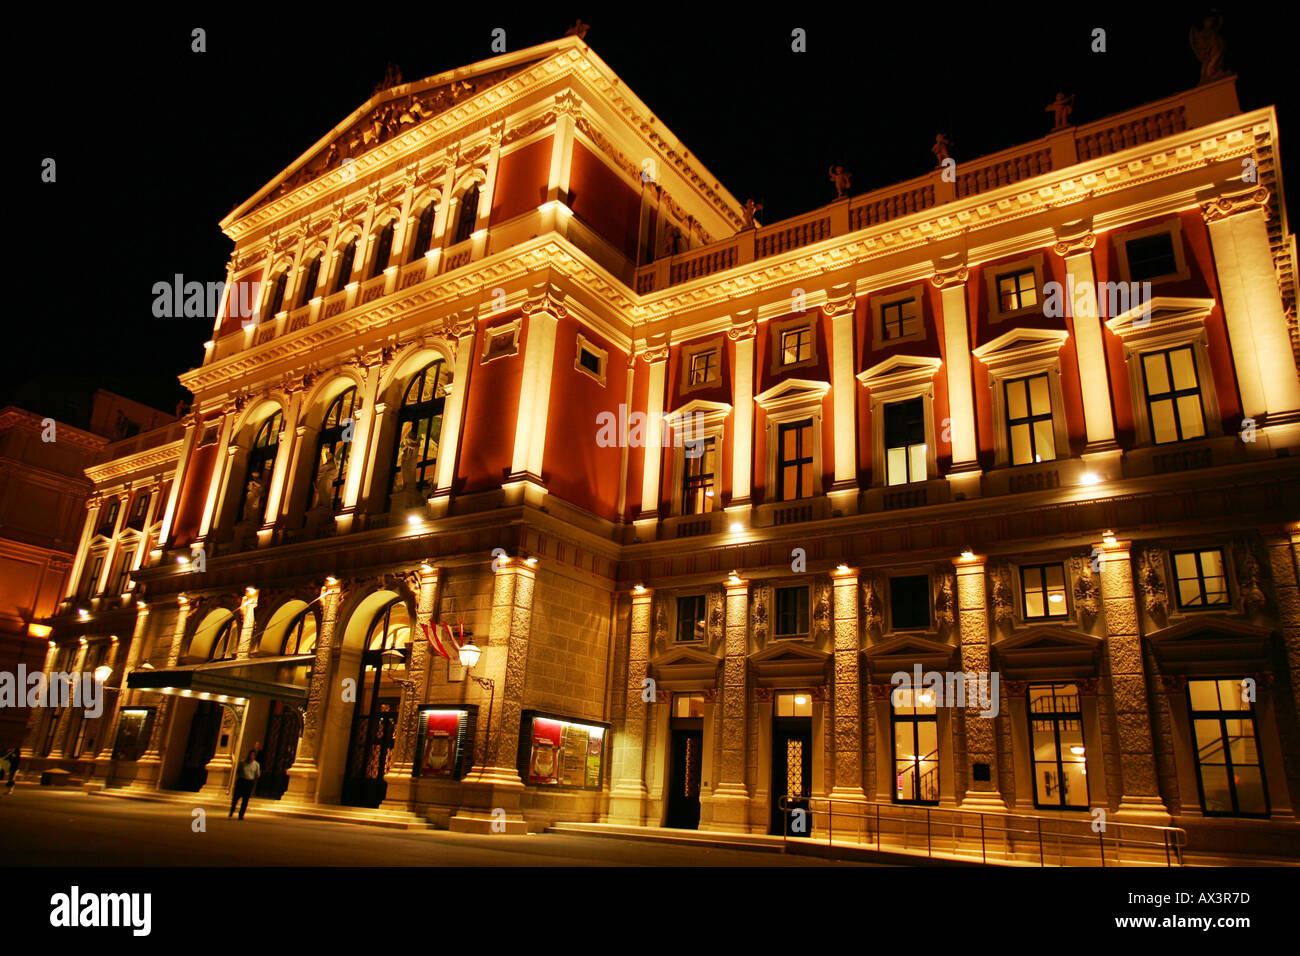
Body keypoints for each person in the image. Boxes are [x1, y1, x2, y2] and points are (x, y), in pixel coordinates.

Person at [229, 749, 260, 819]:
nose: (251, 756)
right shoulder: (242, 763)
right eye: (250, 754)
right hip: (241, 781)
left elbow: (257, 774)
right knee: (236, 798)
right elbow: (238, 771)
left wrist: (253, 783)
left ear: (254, 756)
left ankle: (241, 814)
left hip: (249, 782)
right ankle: (232, 810)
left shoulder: (256, 764)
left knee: (245, 800)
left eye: (253, 755)